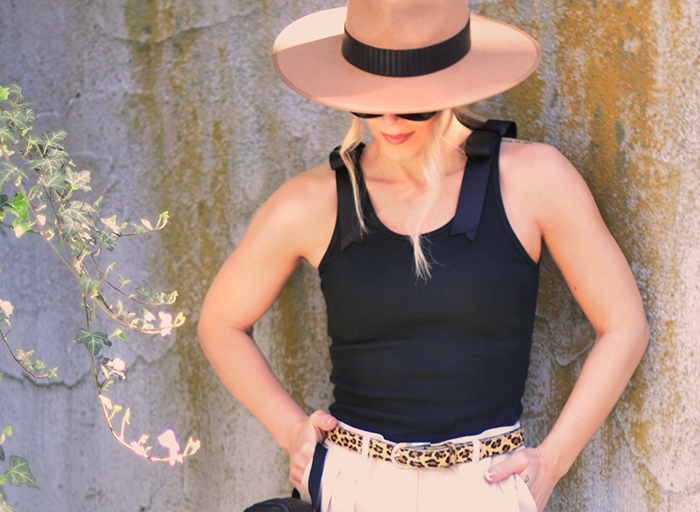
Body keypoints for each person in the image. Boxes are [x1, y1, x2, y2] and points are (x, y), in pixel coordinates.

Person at [198, 0, 649, 510]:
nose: (389, 120)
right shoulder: (313, 200)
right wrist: (290, 431)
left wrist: (553, 459)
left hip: (485, 487)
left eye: (414, 102)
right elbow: (220, 324)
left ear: (454, 84)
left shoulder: (535, 180)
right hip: (353, 483)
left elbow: (624, 325)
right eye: (370, 99)